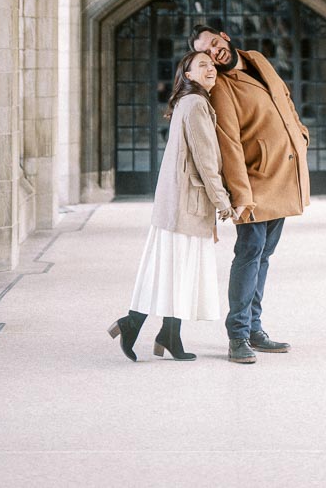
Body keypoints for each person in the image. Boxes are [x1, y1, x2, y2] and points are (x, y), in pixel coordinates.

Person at [191, 24, 310, 365]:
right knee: (249, 255)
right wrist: (240, 195)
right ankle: (238, 335)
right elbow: (228, 142)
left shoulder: (256, 59)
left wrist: (300, 136)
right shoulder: (222, 88)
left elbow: (284, 97)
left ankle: (255, 329)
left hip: (284, 175)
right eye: (207, 53)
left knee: (264, 255)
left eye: (215, 44)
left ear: (225, 37)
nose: (215, 53)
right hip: (255, 184)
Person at [108, 50, 235, 362]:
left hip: (178, 201)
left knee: (176, 268)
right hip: (185, 203)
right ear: (187, 75)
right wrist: (223, 202)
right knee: (174, 268)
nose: (210, 69)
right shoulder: (195, 104)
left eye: (212, 65)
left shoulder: (190, 101)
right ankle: (132, 323)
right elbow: (206, 160)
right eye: (201, 65)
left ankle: (168, 335)